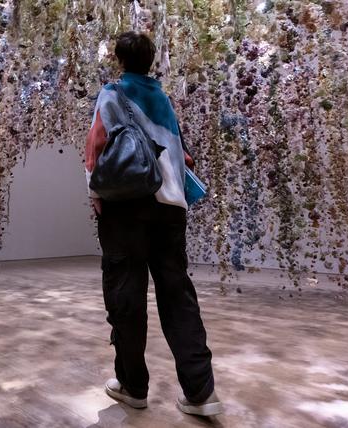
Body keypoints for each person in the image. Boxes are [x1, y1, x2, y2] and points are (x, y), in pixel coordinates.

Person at [83, 31, 222, 417]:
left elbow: (95, 146)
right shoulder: (164, 99)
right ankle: (201, 393)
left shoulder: (112, 93)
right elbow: (182, 156)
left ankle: (132, 385)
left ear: (119, 60)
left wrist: (94, 193)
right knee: (178, 295)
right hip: (171, 208)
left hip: (127, 206)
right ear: (151, 60)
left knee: (126, 294)